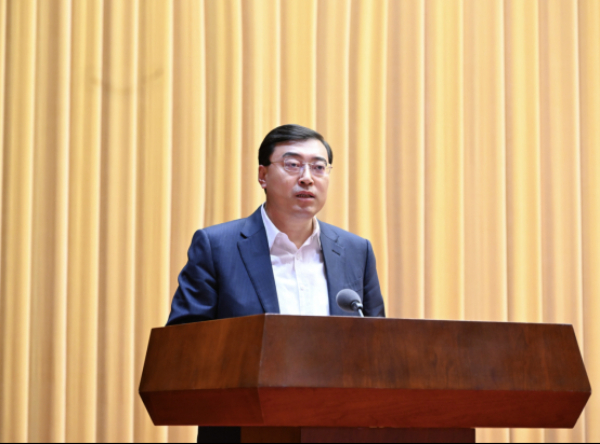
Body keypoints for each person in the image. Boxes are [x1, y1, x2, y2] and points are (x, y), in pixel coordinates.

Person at [166, 124, 385, 443]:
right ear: (263, 175)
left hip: (338, 429)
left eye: (318, 167)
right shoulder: (217, 247)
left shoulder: (356, 251)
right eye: (292, 164)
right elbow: (184, 345)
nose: (307, 177)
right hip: (243, 431)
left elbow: (378, 345)